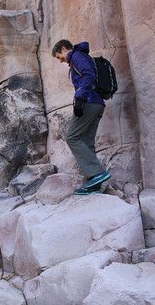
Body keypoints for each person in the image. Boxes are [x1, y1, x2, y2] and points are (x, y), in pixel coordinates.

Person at [52, 39, 111, 194]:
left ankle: (98, 173)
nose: (60, 61)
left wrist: (81, 98)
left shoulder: (77, 56)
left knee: (72, 137)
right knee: (86, 142)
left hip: (90, 101)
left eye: (59, 56)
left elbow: (89, 76)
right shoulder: (80, 57)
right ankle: (92, 185)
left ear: (64, 48)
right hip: (97, 103)